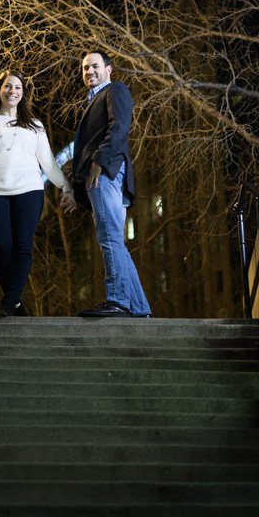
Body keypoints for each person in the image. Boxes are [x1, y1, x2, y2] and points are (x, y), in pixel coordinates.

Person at [0, 69, 76, 317]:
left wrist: (66, 187)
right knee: (1, 247)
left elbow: (48, 163)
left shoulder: (35, 126)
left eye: (17, 87)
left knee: (23, 248)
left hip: (29, 191)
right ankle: (15, 303)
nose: (12, 91)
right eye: (7, 86)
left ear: (23, 93)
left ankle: (9, 302)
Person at [72, 50, 152, 318]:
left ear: (108, 69)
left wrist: (99, 161)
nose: (89, 72)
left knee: (108, 237)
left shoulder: (115, 90)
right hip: (101, 173)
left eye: (95, 66)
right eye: (85, 68)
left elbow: (119, 127)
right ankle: (139, 307)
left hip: (105, 171)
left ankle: (118, 300)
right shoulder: (93, 100)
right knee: (115, 238)